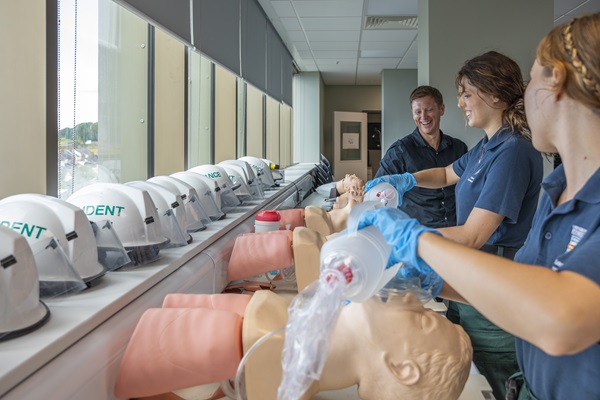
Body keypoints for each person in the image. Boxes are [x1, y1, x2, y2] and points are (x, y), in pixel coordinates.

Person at [358, 12, 600, 400]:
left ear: (556, 83)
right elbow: (521, 285)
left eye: (533, 79)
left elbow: (561, 317)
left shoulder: (515, 152)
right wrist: (434, 281)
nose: (525, 94)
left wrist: (416, 243)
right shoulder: (557, 189)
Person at [366, 52, 544, 399]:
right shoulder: (486, 148)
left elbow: (474, 235)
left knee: (493, 379)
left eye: (466, 94)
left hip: (494, 278)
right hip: (469, 273)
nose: (461, 103)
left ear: (494, 95)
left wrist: (404, 242)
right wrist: (407, 179)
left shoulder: (513, 152)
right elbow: (447, 173)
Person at [114, 290, 472, 400]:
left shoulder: (269, 350)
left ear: (400, 368)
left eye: (421, 320)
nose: (411, 298)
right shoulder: (278, 333)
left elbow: (124, 360)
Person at [374, 85, 468, 228]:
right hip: (418, 232)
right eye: (418, 112)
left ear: (441, 109)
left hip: (456, 229)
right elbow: (377, 192)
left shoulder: (459, 148)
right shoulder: (399, 151)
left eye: (429, 110)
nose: (423, 117)